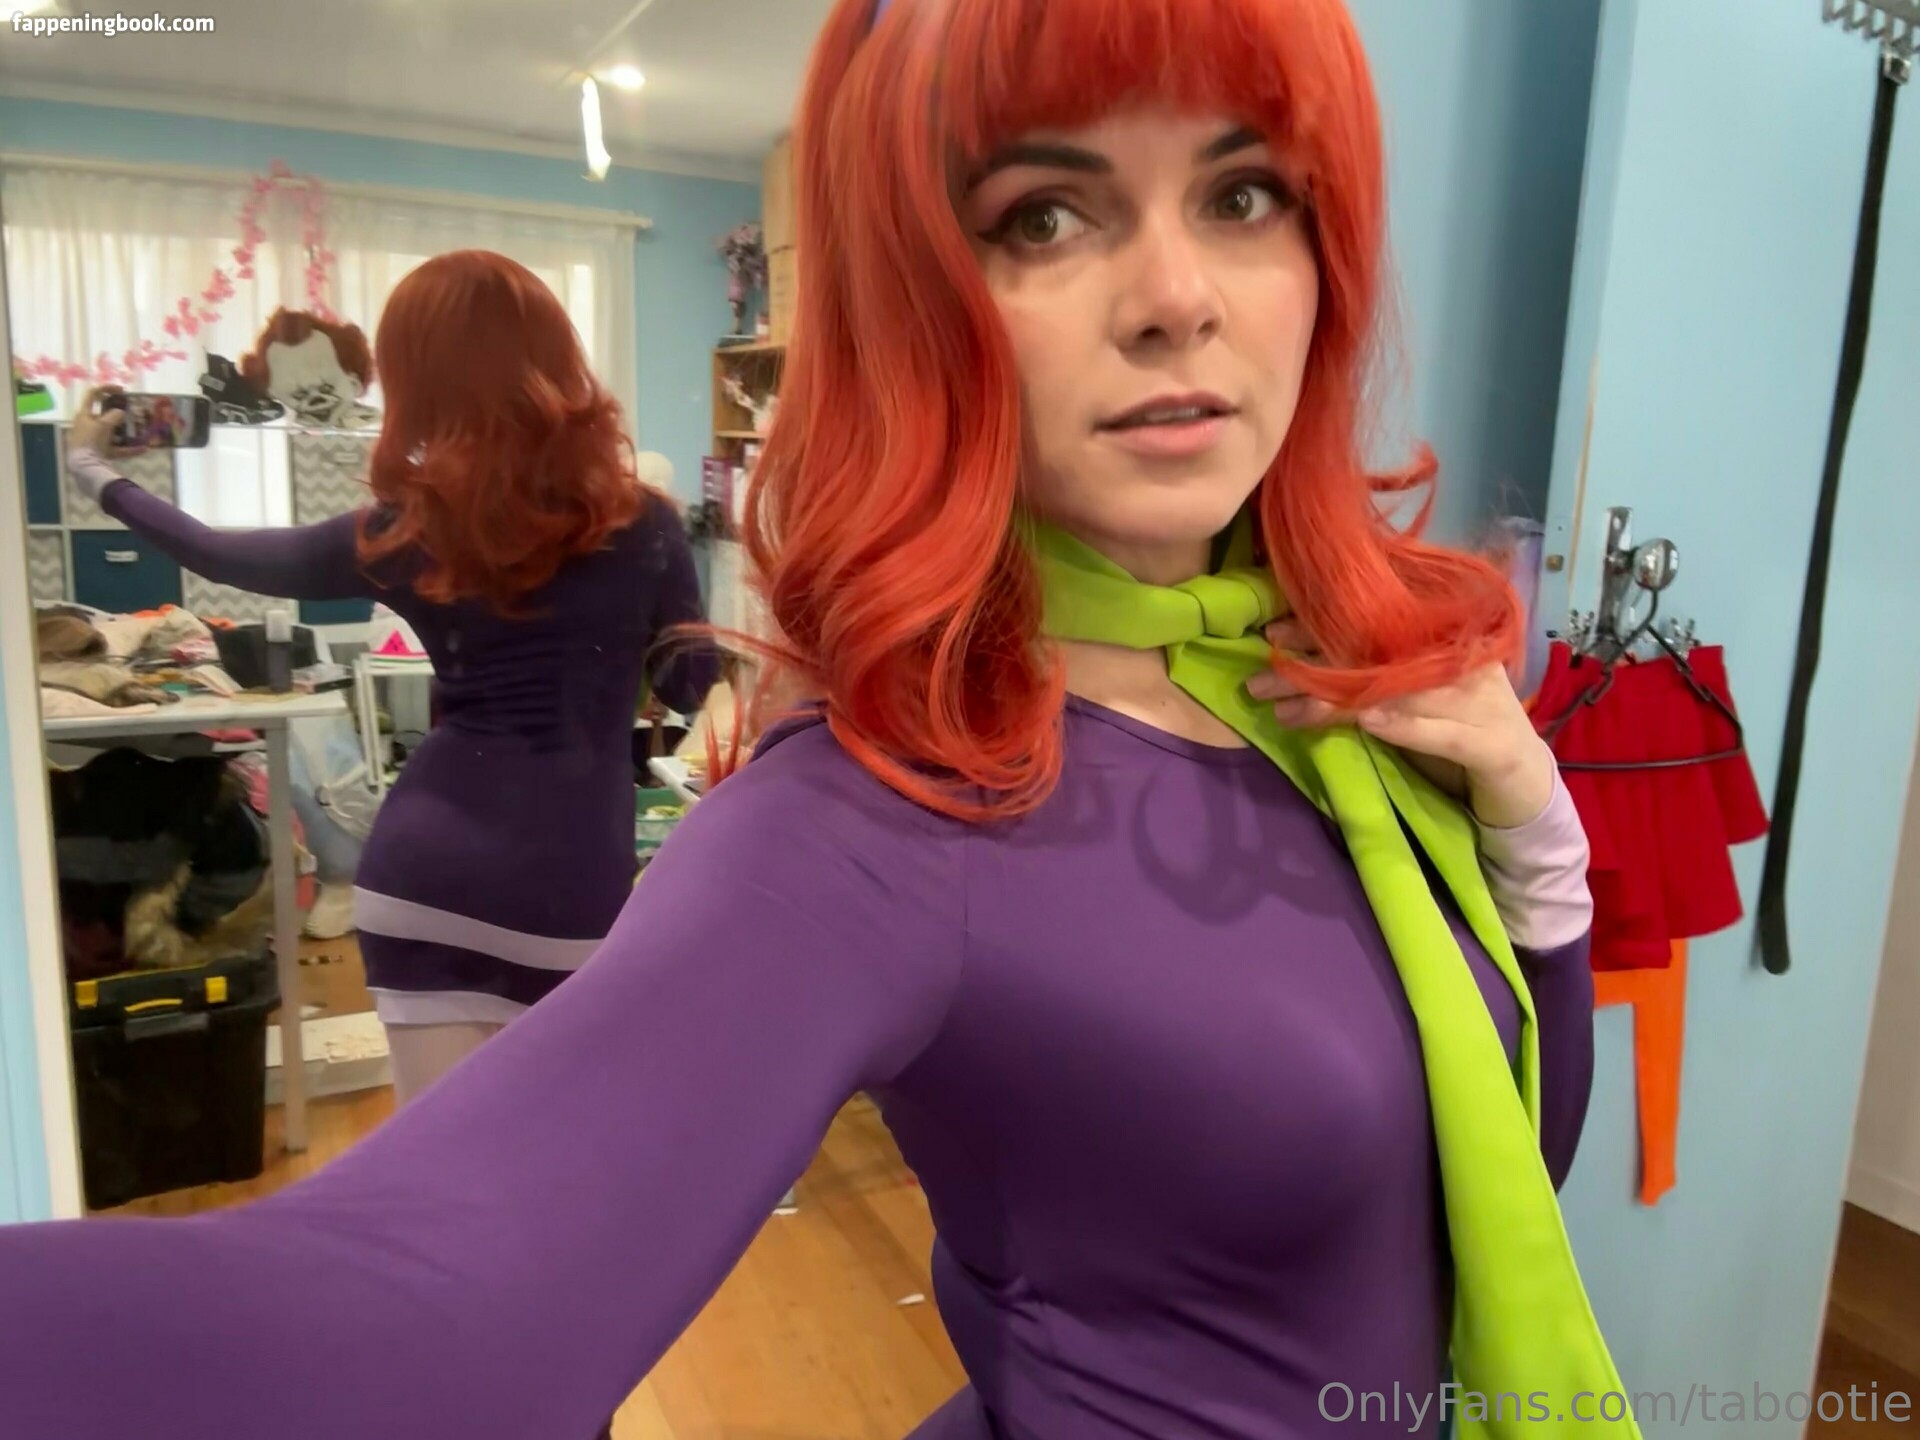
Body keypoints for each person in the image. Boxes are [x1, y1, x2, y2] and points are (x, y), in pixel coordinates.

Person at [0, 4, 1636, 1438]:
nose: (1173, 296)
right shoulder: (884, 819)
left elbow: (1500, 1169)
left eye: (1244, 193)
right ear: (923, 299)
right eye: (1047, 213)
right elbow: (399, 1323)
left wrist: (1533, 847)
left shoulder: (1355, 696)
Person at [60, 249, 716, 1104]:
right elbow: (694, 684)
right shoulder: (645, 523)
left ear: (417, 383)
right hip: (569, 894)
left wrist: (93, 470)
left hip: (421, 881)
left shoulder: (404, 529)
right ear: (559, 362)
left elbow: (217, 551)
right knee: (568, 1166)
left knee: (441, 1171)